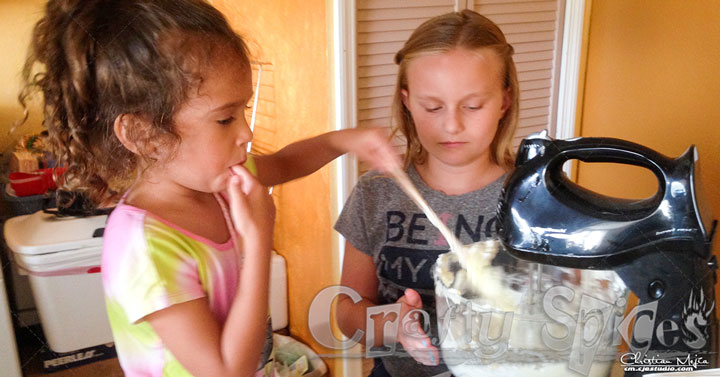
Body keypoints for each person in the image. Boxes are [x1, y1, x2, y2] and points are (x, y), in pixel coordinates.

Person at [19, 0, 398, 376]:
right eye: (225, 118)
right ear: (144, 134)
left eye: (243, 112)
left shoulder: (214, 178)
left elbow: (284, 163)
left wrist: (345, 141)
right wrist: (258, 242)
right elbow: (225, 371)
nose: (246, 133)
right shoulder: (144, 247)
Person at [334, 9, 519, 377]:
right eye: (432, 106)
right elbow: (345, 311)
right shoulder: (377, 193)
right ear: (406, 100)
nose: (451, 124)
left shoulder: (532, 198)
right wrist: (391, 325)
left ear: (504, 101)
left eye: (472, 105)